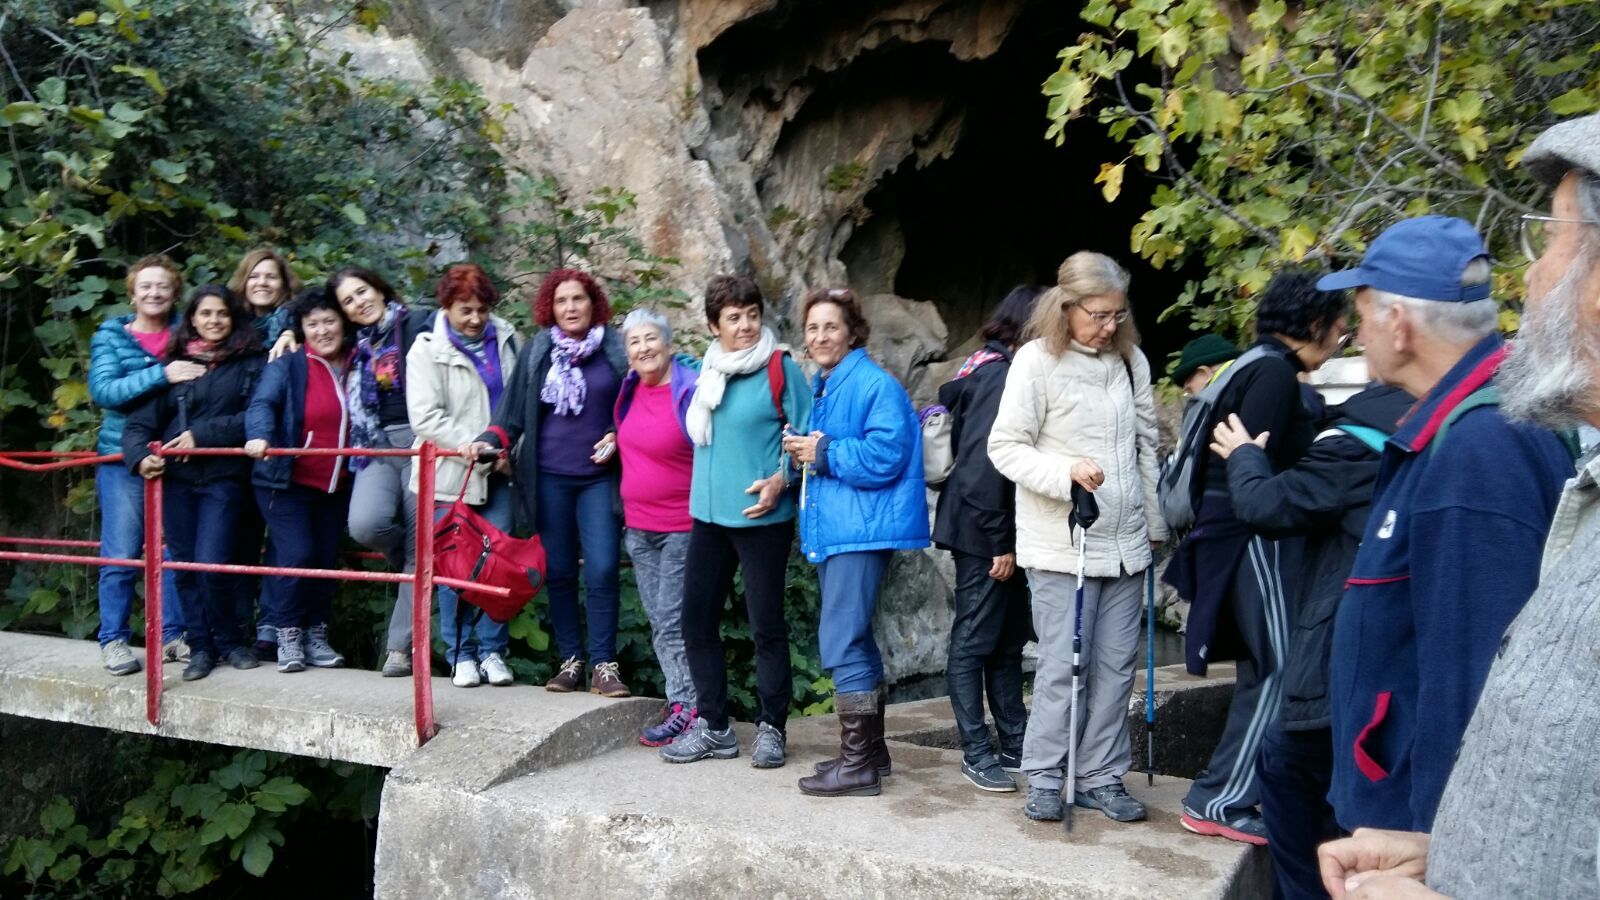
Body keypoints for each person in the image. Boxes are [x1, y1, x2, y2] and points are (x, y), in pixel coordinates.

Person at [1316, 111, 1600, 900]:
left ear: (1397, 323)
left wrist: (1455, 859)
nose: (1536, 278)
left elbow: (1482, 687)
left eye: (1551, 245)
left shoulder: (1478, 448)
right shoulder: (1463, 427)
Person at [1164, 268, 1349, 844]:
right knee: (1280, 670)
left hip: (1233, 539)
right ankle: (1217, 801)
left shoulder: (1255, 366)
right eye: (1340, 324)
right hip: (1251, 540)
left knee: (1265, 669)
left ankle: (1235, 793)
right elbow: (1255, 472)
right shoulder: (1272, 374)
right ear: (1314, 323)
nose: (1344, 335)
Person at [1208, 379, 1413, 898]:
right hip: (1399, 676)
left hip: (1338, 667)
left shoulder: (1353, 445)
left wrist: (1246, 457)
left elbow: (1265, 505)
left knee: (1287, 768)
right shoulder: (1447, 437)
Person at [987, 252, 1166, 824]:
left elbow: (1145, 447)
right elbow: (1006, 447)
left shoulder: (1131, 361)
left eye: (1117, 315)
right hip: (1062, 544)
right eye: (1097, 315)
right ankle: (1044, 774)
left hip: (1125, 543)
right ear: (1065, 309)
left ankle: (1100, 776)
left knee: (1116, 669)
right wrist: (1064, 472)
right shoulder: (1034, 362)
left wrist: (1155, 525)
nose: (1109, 326)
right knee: (1064, 665)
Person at [658, 274, 810, 768]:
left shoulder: (780, 368)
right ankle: (716, 727)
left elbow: (808, 438)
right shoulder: (708, 369)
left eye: (751, 315)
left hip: (762, 518)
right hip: (708, 519)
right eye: (733, 318)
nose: (745, 326)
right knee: (696, 620)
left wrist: (780, 480)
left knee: (765, 624)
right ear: (712, 325)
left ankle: (771, 728)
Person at [786, 288, 928, 797]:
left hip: (861, 530)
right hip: (844, 528)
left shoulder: (872, 383)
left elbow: (888, 453)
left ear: (852, 332)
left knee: (842, 639)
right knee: (856, 638)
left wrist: (822, 452)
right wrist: (800, 456)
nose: (821, 336)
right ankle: (869, 755)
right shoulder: (827, 384)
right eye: (813, 328)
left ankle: (858, 766)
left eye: (831, 326)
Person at [463, 269, 630, 697]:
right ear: (549, 309)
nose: (570, 308)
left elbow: (636, 406)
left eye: (578, 299)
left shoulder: (615, 347)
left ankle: (605, 665)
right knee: (556, 571)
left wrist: (618, 434)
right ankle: (571, 661)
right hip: (548, 478)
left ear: (594, 304)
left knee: (603, 568)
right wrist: (487, 442)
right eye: (561, 301)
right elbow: (511, 414)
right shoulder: (538, 350)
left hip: (599, 480)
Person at [930, 285, 1043, 792]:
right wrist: (1002, 541)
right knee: (974, 641)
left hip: (995, 529)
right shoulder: (999, 377)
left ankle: (1015, 745)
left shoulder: (985, 367)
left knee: (1006, 641)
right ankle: (977, 752)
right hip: (985, 531)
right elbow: (981, 469)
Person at [123, 286, 265, 681]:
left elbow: (254, 418)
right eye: (206, 314)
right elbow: (139, 424)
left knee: (212, 564)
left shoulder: (251, 363)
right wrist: (140, 456)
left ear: (233, 318)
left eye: (222, 313)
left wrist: (202, 435)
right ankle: (201, 647)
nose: (214, 321)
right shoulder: (177, 365)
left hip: (224, 478)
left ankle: (232, 641)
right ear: (192, 319)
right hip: (178, 482)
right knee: (185, 567)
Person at [406, 264, 520, 688]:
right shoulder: (425, 349)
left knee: (499, 565)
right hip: (452, 472)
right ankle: (460, 654)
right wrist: (479, 445)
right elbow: (425, 417)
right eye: (464, 310)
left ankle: (493, 651)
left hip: (501, 471)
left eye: (481, 309)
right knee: (454, 567)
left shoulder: (506, 338)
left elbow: (519, 400)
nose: (475, 318)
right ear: (446, 307)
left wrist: (506, 449)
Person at [87, 254, 190, 675]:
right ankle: (113, 640)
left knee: (173, 550)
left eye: (162, 286)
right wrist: (162, 374)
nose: (154, 293)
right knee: (123, 552)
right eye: (145, 286)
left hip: (177, 457)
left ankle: (173, 636)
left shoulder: (187, 333)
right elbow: (105, 391)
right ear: (132, 292)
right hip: (121, 460)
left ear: (174, 292)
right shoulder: (111, 336)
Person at [245, 287, 355, 674]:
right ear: (302, 328)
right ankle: (286, 633)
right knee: (297, 555)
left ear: (343, 322)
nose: (323, 330)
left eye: (329, 321)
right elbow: (263, 403)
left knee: (324, 560)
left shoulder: (358, 361)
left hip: (336, 484)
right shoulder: (290, 360)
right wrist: (259, 436)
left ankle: (315, 634)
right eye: (313, 324)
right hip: (285, 478)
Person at [331, 266, 434, 678]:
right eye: (349, 301)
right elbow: (300, 318)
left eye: (363, 291)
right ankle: (407, 558)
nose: (360, 302)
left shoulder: (419, 321)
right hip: (373, 442)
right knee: (365, 525)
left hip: (421, 441)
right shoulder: (352, 346)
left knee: (418, 549)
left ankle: (398, 648)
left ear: (379, 288)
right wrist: (286, 330)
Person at [612, 308, 701, 745]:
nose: (644, 348)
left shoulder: (689, 389)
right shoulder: (629, 389)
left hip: (681, 526)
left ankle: (690, 707)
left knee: (672, 619)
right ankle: (685, 701)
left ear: (669, 344)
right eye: (635, 342)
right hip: (639, 528)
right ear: (627, 352)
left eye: (651, 339)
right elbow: (636, 438)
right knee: (658, 618)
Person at [226, 246, 304, 659]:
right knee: (238, 544)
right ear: (243, 280)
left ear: (284, 283)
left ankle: (271, 629)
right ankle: (236, 631)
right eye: (255, 275)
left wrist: (292, 332)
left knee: (280, 543)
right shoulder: (225, 322)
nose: (262, 283)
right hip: (229, 448)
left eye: (271, 276)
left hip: (274, 448)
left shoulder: (295, 326)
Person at [1173, 334, 1242, 398]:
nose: (1191, 398)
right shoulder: (1248, 383)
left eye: (1190, 391)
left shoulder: (1225, 403)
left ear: (1203, 374)